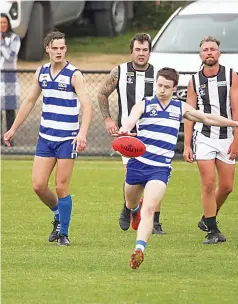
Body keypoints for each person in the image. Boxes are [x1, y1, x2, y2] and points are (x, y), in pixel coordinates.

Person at [114, 67, 238, 269]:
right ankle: (133, 209)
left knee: (150, 208)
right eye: (159, 85)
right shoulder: (144, 104)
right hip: (138, 164)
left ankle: (139, 249)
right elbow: (130, 120)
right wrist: (124, 130)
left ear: (174, 88)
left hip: (160, 169)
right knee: (130, 202)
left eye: (166, 87)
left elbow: (207, 117)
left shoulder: (180, 108)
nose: (162, 90)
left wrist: (236, 124)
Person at [3, 31, 93, 246]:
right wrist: (13, 129)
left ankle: (64, 233)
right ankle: (57, 216)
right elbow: (29, 101)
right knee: (38, 185)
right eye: (55, 48)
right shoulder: (41, 72)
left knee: (61, 186)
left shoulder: (74, 74)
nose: (59, 51)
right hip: (45, 138)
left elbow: (88, 106)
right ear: (48, 49)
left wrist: (82, 133)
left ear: (66, 49)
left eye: (62, 48)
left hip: (67, 139)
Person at [97, 33, 166, 235]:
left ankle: (155, 222)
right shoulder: (119, 71)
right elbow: (102, 93)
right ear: (131, 51)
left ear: (150, 51)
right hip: (128, 134)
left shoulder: (158, 75)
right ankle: (129, 207)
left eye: (145, 50)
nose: (141, 53)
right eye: (138, 49)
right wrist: (108, 119)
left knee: (156, 177)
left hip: (153, 133)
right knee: (133, 176)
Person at [183, 36, 238, 244]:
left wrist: (237, 138)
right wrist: (187, 144)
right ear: (200, 54)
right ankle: (212, 230)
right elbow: (189, 114)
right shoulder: (194, 81)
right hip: (204, 137)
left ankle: (207, 218)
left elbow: (237, 109)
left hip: (226, 138)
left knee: (226, 187)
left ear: (219, 53)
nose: (209, 52)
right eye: (205, 49)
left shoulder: (231, 76)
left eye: (213, 49)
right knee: (208, 184)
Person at [1, 13, 21, 145]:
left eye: (4, 22)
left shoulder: (14, 38)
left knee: (9, 110)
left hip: (8, 78)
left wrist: (2, 43)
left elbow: (11, 56)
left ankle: (9, 138)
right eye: (0, 23)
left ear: (8, 24)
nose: (2, 25)